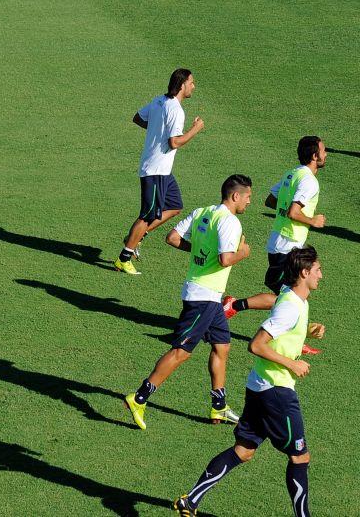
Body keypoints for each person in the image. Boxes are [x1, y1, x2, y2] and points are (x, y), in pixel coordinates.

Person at [173, 246, 323, 517]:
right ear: (304, 272)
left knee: (243, 450)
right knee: (300, 457)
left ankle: (190, 501)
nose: (320, 276)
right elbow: (256, 344)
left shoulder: (294, 299)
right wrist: (293, 364)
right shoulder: (290, 307)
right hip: (277, 392)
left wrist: (307, 331)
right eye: (317, 270)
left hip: (259, 387)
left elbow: (285, 327)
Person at [125, 175, 253, 430]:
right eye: (248, 197)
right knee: (180, 352)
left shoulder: (202, 212)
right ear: (235, 196)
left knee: (222, 346)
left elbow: (172, 237)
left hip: (210, 298)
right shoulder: (230, 222)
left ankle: (219, 407)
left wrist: (197, 253)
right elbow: (226, 259)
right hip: (203, 297)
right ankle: (139, 397)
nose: (250, 202)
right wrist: (244, 253)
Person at [223, 136, 327, 354]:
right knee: (290, 297)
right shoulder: (308, 180)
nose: (325, 154)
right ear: (315, 155)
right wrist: (313, 220)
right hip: (289, 244)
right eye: (323, 151)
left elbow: (271, 200)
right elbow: (294, 212)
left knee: (288, 296)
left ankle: (236, 306)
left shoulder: (292, 174)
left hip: (279, 241)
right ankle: (234, 305)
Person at [114, 68, 204, 275]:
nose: (193, 86)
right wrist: (195, 129)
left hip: (162, 170)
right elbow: (174, 142)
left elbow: (137, 117)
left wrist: (156, 128)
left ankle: (136, 236)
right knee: (146, 215)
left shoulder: (158, 101)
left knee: (174, 205)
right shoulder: (175, 109)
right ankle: (124, 257)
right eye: (191, 82)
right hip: (155, 170)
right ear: (182, 85)